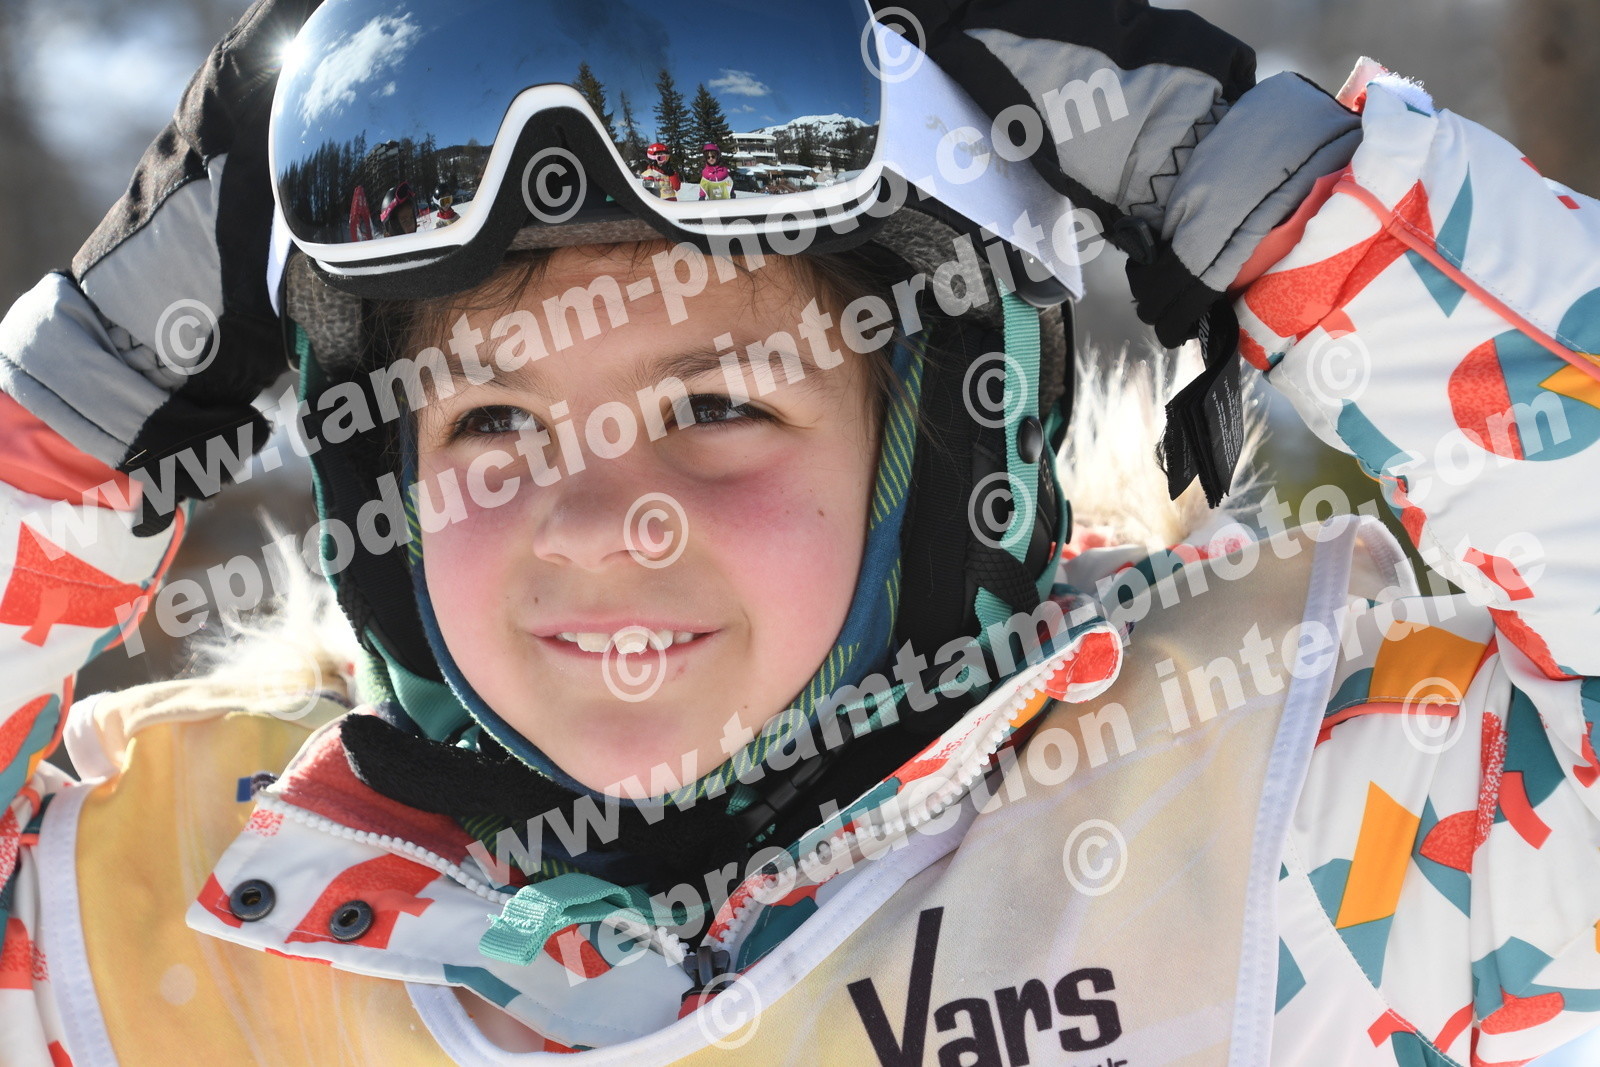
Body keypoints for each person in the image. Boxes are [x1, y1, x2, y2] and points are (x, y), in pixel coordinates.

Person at [1, 1, 1598, 1063]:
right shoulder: (170, 925)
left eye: (716, 406)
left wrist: (1278, 187)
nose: (598, 522)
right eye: (489, 424)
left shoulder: (1310, 827)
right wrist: (76, 407)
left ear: (956, 451)